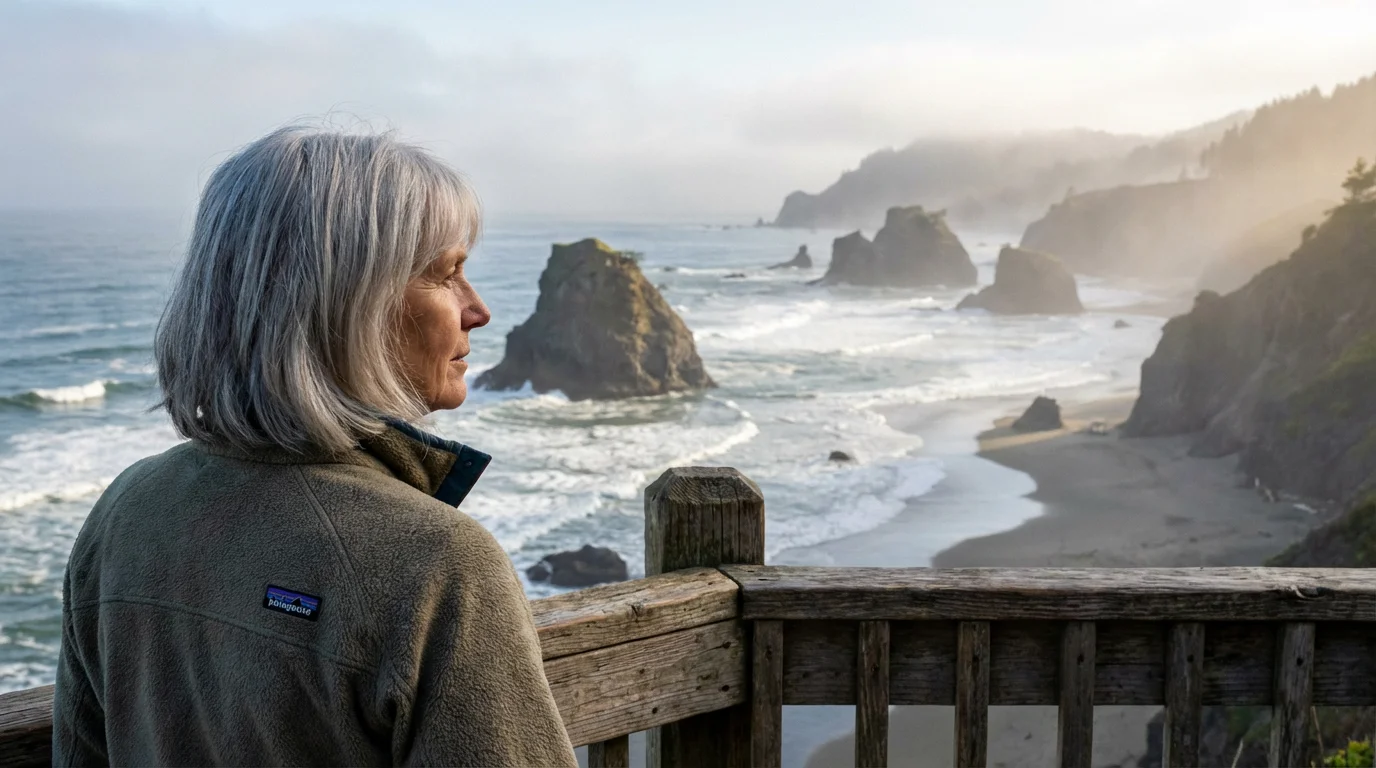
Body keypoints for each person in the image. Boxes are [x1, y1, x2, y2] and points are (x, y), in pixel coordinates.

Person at [51, 127, 578, 767]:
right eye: (447, 274)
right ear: (348, 302)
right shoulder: (438, 564)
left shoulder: (127, 509)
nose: (478, 309)